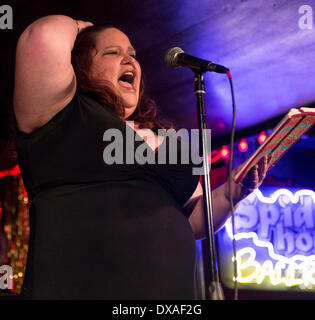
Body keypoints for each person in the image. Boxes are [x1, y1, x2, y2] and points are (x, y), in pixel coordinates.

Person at [13, 15, 269, 299]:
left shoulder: (170, 138)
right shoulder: (65, 113)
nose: (129, 60)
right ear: (80, 67)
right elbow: (42, 36)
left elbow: (195, 221)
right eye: (113, 52)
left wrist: (235, 191)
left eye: (133, 55)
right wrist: (83, 27)